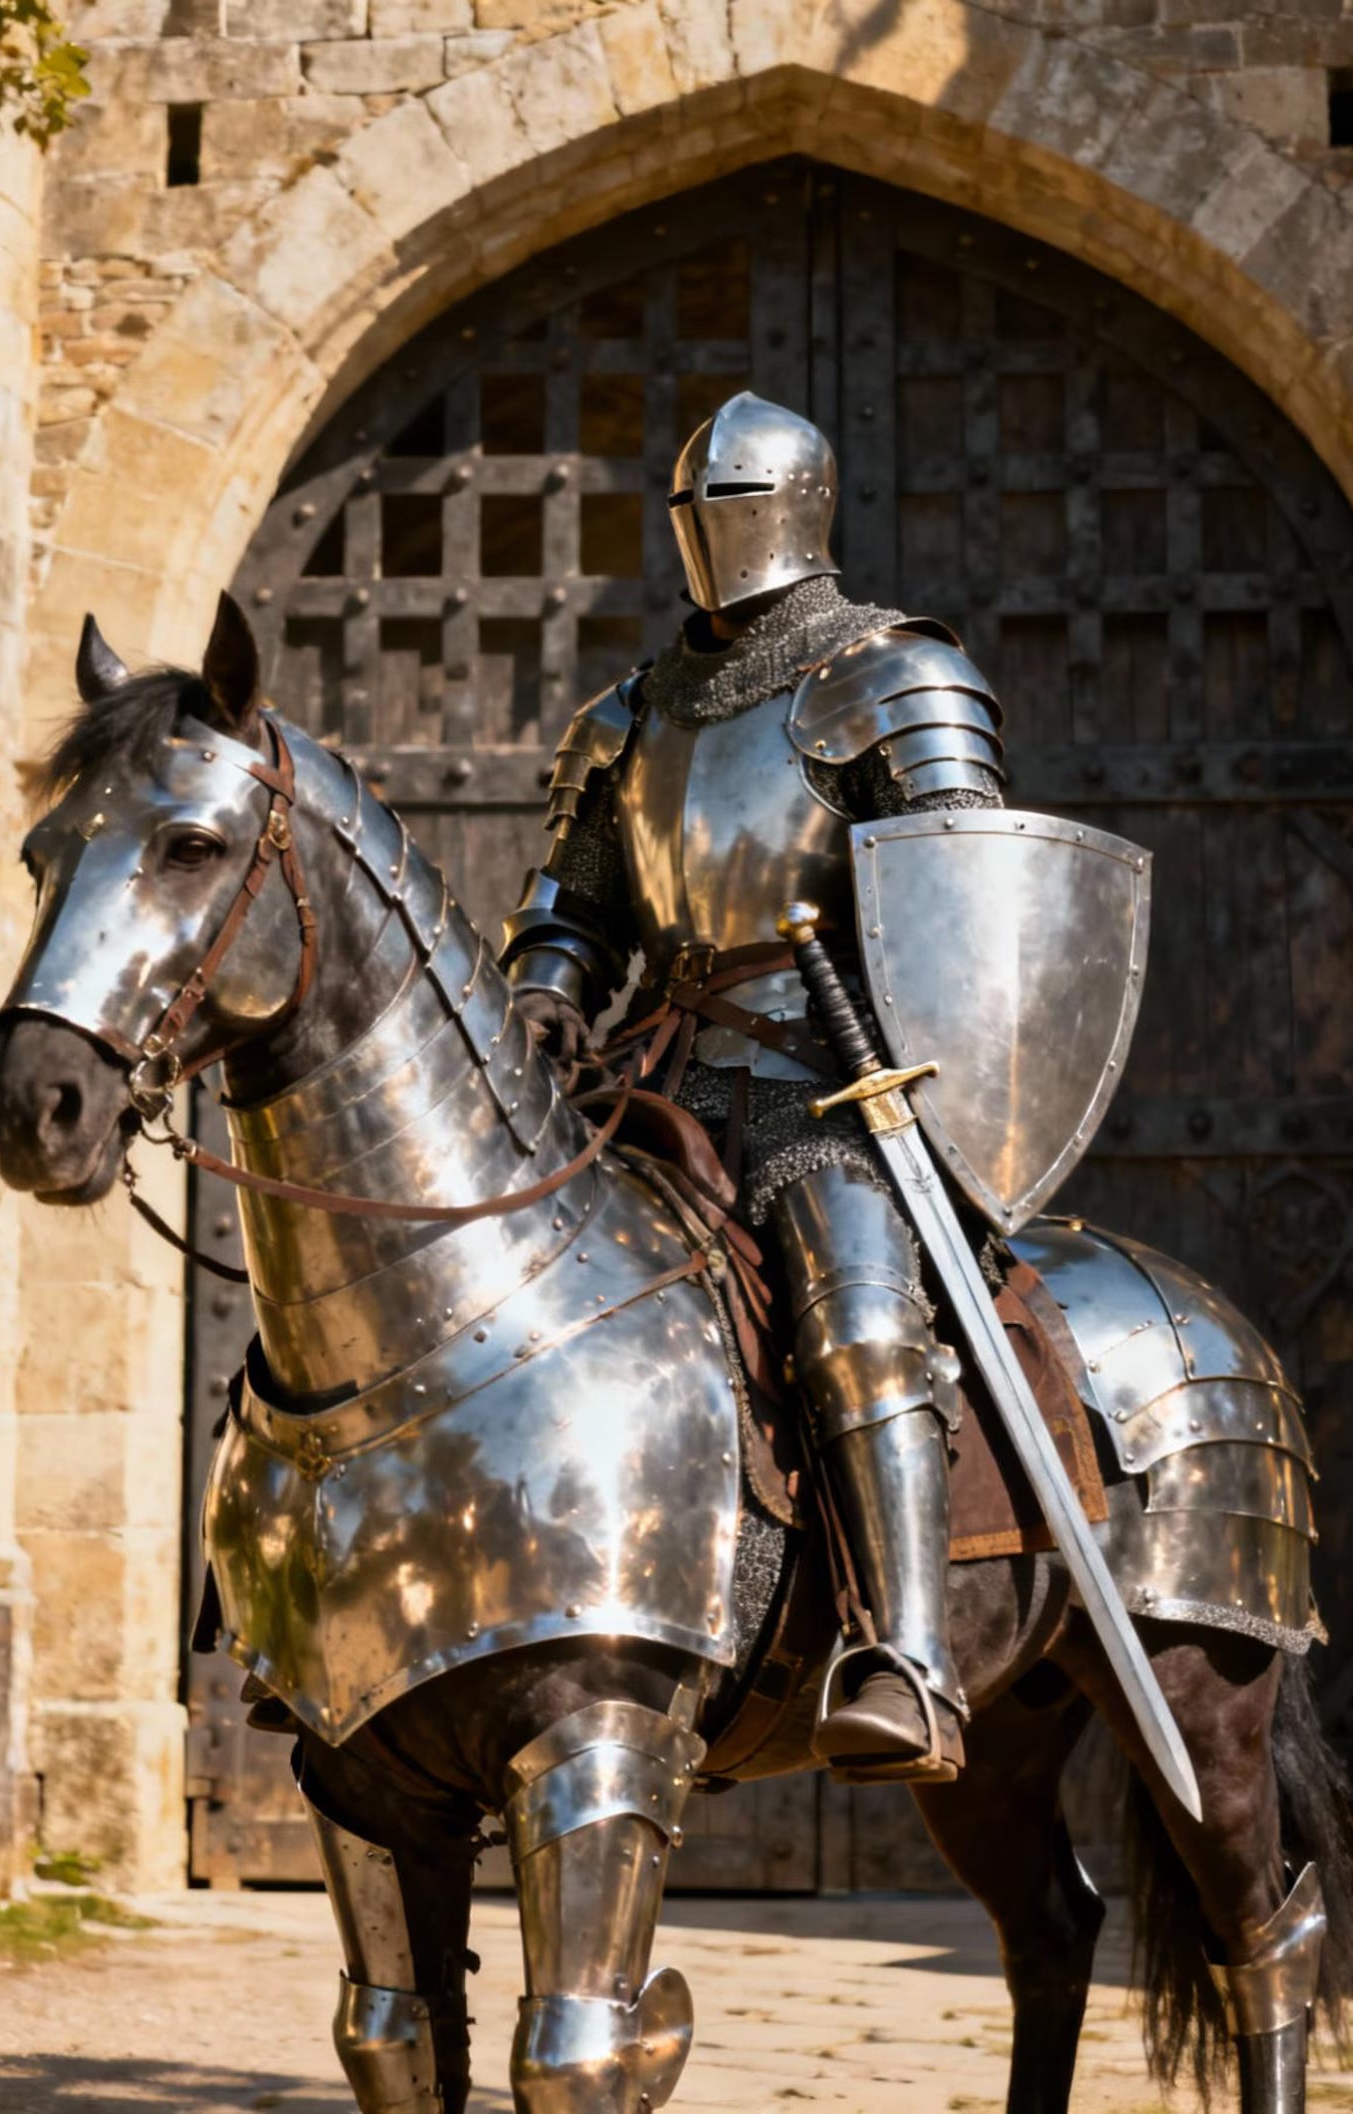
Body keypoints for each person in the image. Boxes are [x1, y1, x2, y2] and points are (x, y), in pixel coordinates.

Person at [499, 391, 1006, 1778]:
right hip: (645, 1082)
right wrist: (546, 984)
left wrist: (892, 1065)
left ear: (792, 511)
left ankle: (906, 1650)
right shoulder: (630, 714)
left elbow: (967, 909)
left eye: (726, 507)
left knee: (861, 1324)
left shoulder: (890, 676)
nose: (702, 536)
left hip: (815, 1085)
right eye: (687, 512)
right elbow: (571, 902)